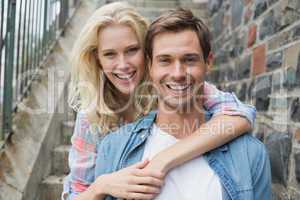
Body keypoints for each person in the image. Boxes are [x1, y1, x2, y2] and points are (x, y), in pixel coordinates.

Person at [63, 2, 257, 200]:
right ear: (98, 60)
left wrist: (163, 159)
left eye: (132, 50)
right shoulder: (91, 117)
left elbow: (240, 115)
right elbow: (76, 193)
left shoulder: (173, 87)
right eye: (110, 54)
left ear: (148, 54)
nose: (123, 65)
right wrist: (100, 186)